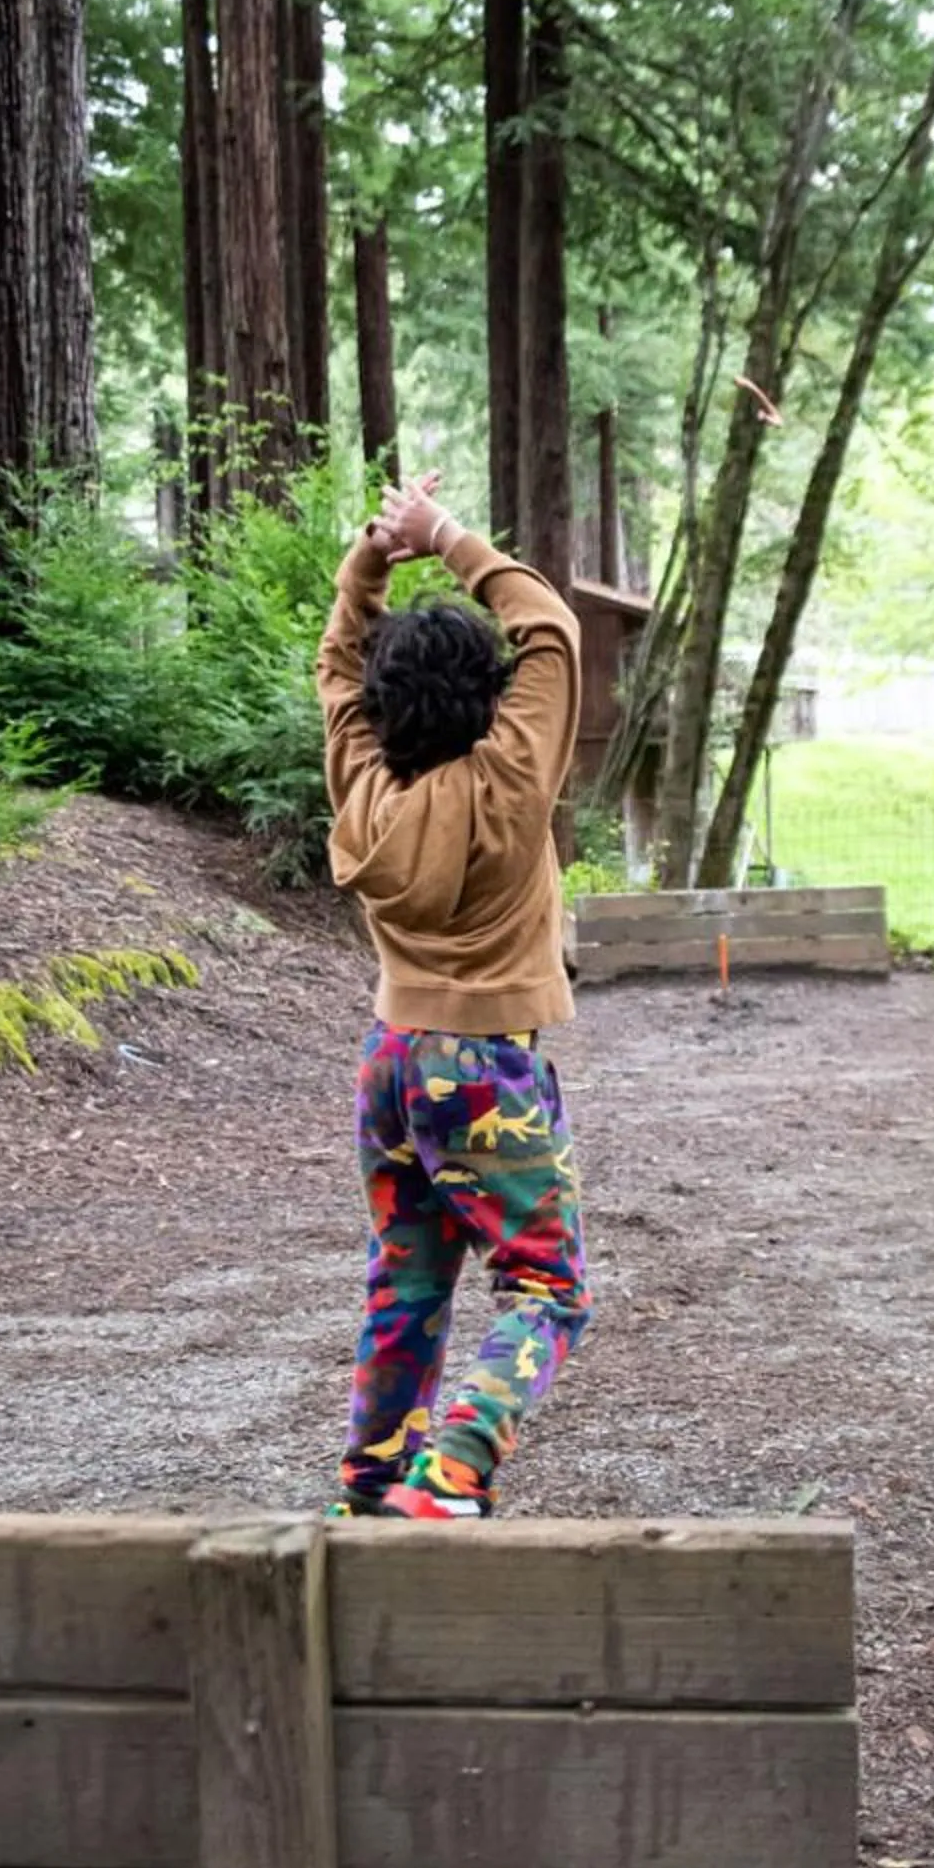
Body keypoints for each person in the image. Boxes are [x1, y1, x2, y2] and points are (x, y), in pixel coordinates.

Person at [315, 469, 589, 1520]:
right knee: (546, 1287)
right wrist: (448, 538)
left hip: (392, 1063)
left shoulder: (362, 779)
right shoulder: (509, 777)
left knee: (408, 1286)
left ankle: (373, 1485)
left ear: (381, 708)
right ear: (489, 699)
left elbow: (338, 663)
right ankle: (453, 1472)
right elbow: (551, 631)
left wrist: (373, 555)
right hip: (486, 1068)